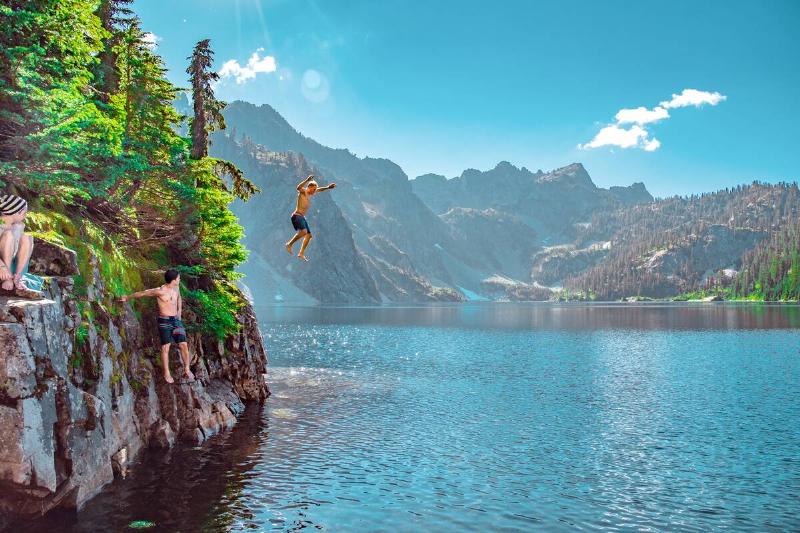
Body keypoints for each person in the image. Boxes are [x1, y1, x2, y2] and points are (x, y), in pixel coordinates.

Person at [119, 269, 194, 384]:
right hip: (164, 320)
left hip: (176, 320)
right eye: (178, 278)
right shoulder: (160, 291)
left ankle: (187, 369)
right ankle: (166, 373)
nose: (180, 279)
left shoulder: (176, 288)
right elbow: (143, 293)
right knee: (165, 347)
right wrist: (127, 297)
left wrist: (179, 311)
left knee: (183, 344)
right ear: (173, 280)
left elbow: (179, 298)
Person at [285, 174, 336, 262]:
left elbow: (319, 190)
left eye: (315, 190)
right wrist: (307, 180)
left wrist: (328, 187)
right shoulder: (303, 191)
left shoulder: (311, 193)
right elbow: (298, 187)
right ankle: (289, 244)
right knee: (304, 232)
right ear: (309, 187)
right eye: (313, 189)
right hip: (296, 216)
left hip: (302, 217)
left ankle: (301, 253)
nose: (314, 191)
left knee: (309, 236)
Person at [0, 194, 41, 299]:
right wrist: (2, 267)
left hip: (11, 267)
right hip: (2, 269)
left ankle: (17, 277)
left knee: (27, 238)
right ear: (17, 212)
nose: (25, 215)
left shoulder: (18, 226)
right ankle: (7, 279)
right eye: (24, 212)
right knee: (8, 235)